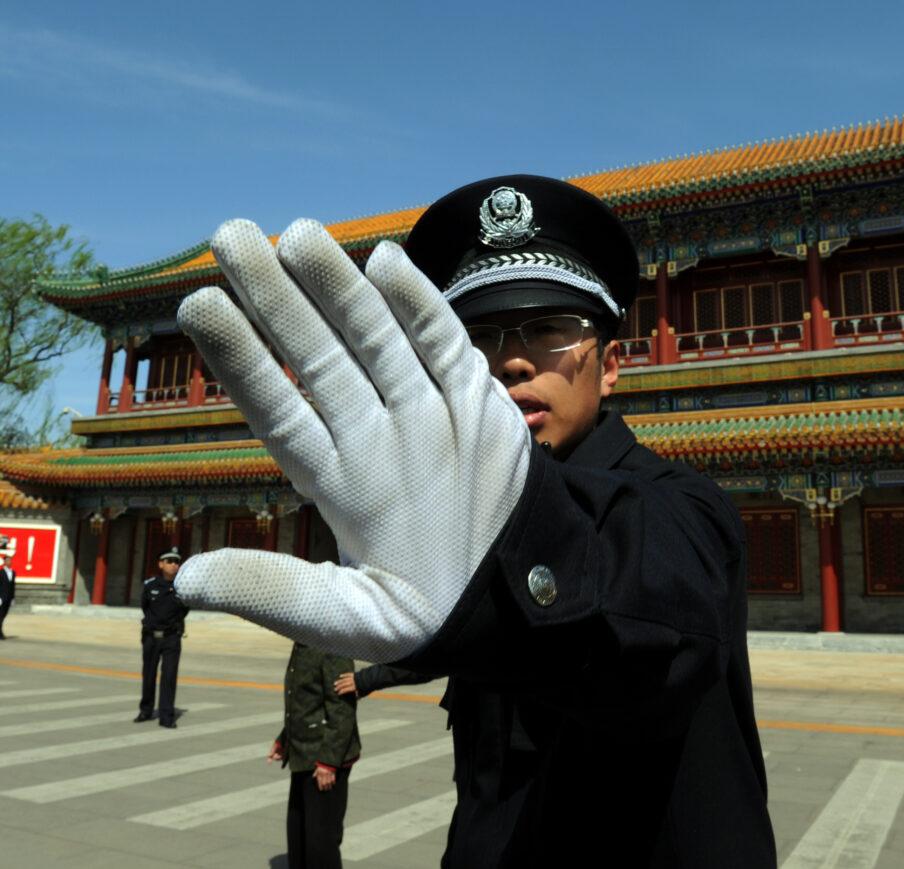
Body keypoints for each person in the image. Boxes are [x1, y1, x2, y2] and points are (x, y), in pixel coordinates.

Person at [175, 175, 776, 867]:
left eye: (550, 329)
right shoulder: (448, 512)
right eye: (475, 337)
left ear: (610, 365)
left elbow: (654, 601)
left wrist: (521, 536)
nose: (512, 359)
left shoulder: (684, 504)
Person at [270, 642, 360, 869]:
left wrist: (329, 762)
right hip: (302, 752)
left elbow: (342, 707)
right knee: (298, 836)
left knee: (320, 845)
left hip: (324, 757)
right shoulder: (303, 642)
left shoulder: (331, 644)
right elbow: (303, 700)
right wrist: (285, 738)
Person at [136, 547, 188, 727]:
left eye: (176, 562)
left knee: (169, 676)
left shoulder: (182, 587)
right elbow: (145, 606)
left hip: (171, 637)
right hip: (151, 636)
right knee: (148, 674)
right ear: (161, 564)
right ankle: (146, 710)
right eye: (170, 561)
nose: (174, 565)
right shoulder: (150, 585)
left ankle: (166, 716)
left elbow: (184, 610)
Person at [0, 552, 15, 640]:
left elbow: (13, 586)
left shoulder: (13, 572)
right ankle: (0, 633)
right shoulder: (1, 572)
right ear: (4, 562)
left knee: (4, 615)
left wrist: (13, 598)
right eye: (7, 560)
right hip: (1, 598)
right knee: (0, 615)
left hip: (8, 598)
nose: (9, 562)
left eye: (10, 560)